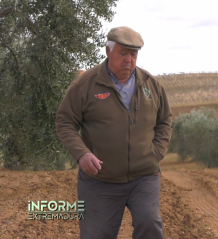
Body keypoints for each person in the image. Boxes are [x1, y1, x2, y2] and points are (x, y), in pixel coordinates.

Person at [56, 26, 172, 239]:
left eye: (133, 54)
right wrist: (82, 154)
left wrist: (155, 153)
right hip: (100, 181)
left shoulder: (151, 85)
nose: (129, 59)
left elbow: (164, 120)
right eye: (123, 53)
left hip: (143, 177)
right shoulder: (85, 84)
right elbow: (65, 121)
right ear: (108, 51)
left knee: (150, 225)